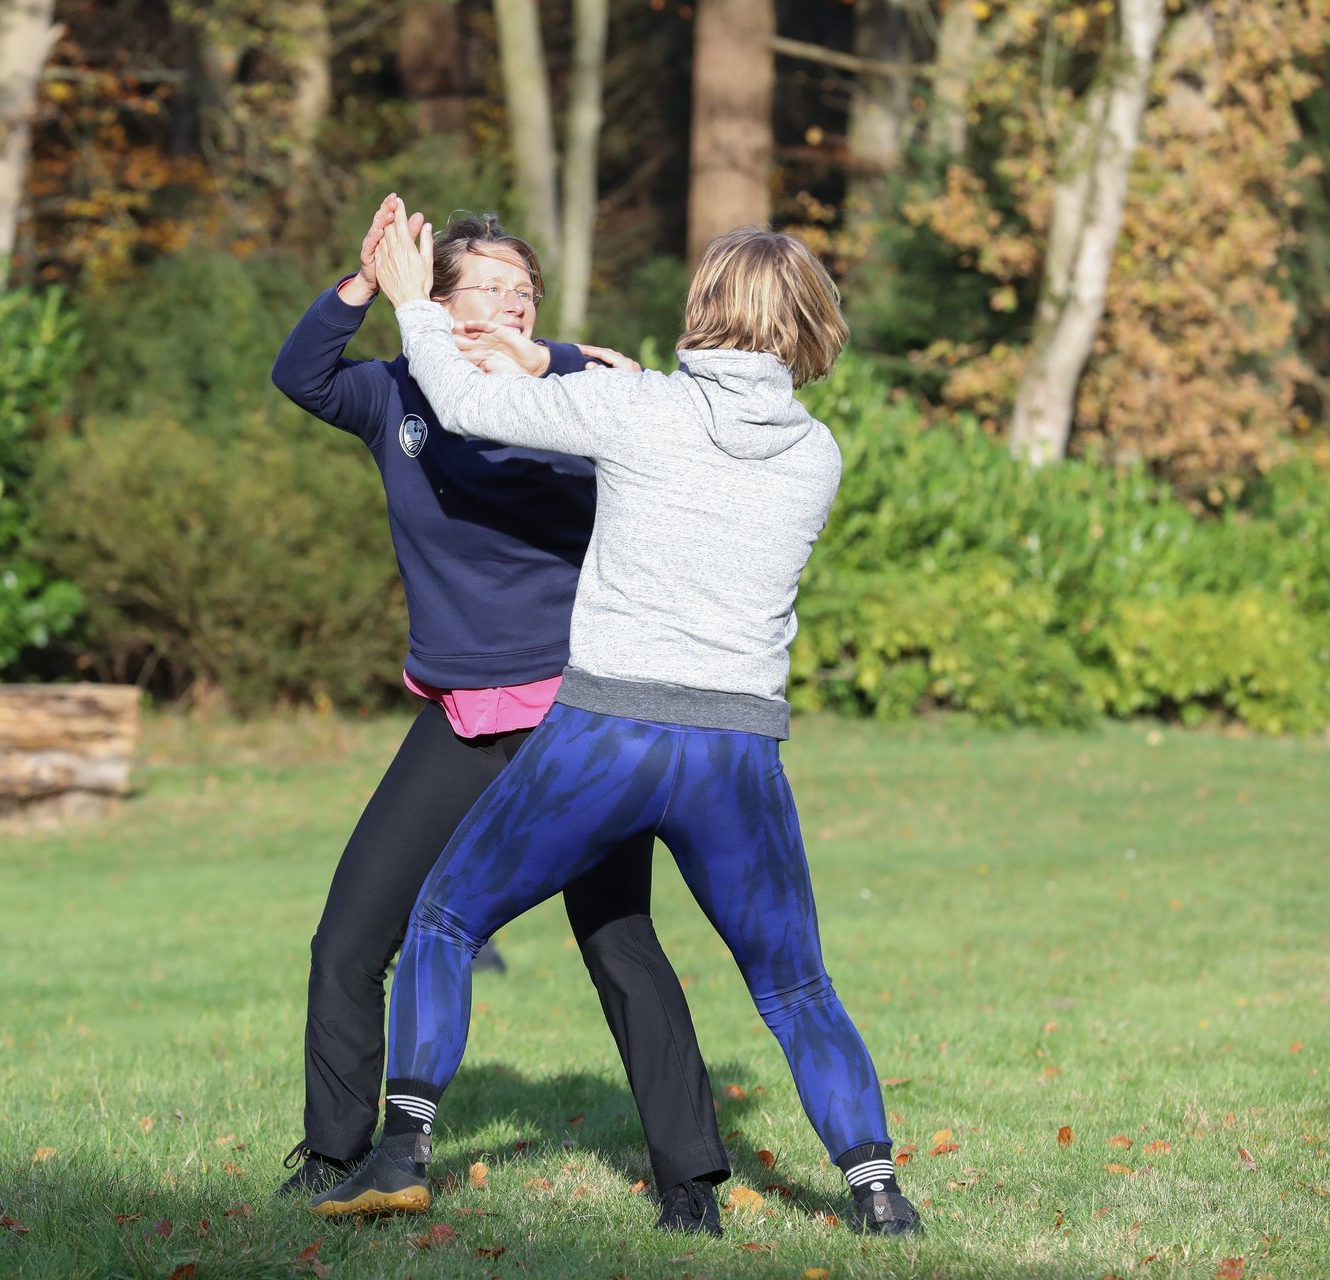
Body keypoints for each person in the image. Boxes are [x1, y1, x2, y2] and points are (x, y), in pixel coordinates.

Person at [308, 205, 924, 1238]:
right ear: (809, 325)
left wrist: (418, 303)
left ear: (703, 308)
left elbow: (457, 405)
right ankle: (877, 1191)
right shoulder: (817, 454)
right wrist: (543, 354)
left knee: (448, 919)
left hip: (609, 734)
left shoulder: (640, 412)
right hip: (736, 751)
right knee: (796, 981)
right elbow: (631, 402)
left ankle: (403, 1143)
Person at [269, 194, 733, 1233]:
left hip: (578, 713)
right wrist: (360, 283)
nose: (509, 305)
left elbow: (631, 380)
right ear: (428, 301)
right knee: (347, 939)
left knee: (617, 938)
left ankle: (690, 1180)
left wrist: (551, 348)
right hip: (460, 713)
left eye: (523, 291)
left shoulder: (574, 395)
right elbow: (300, 374)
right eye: (485, 287)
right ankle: (333, 1154)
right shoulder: (395, 396)